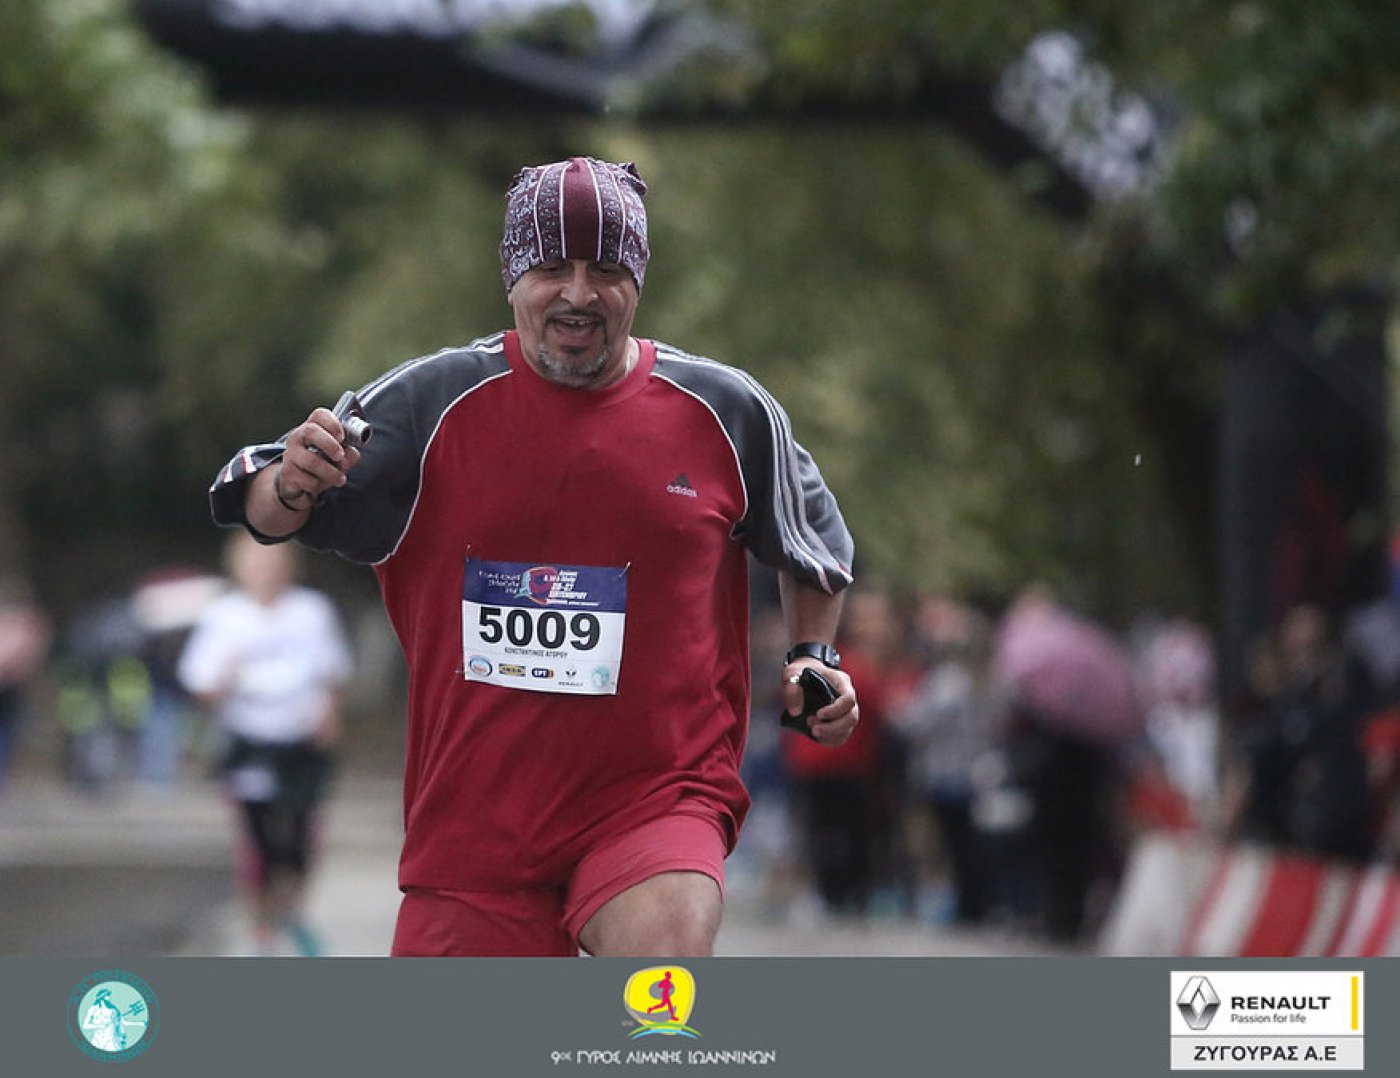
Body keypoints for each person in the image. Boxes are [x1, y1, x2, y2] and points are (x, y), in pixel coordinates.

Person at [206, 156, 859, 957]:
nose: (579, 293)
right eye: (552, 268)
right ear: (512, 278)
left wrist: (814, 657)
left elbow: (814, 542)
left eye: (607, 270)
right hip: (476, 824)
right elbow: (263, 502)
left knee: (662, 980)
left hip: (658, 797)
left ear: (638, 282)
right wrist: (291, 481)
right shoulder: (430, 403)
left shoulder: (726, 411)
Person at [178, 532, 352, 955]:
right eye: (256, 565)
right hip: (248, 741)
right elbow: (200, 686)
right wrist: (223, 679)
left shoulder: (312, 611)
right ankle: (260, 928)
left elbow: (334, 673)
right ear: (238, 569)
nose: (265, 574)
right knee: (258, 842)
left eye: (273, 565)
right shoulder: (224, 617)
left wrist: (329, 715)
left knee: (299, 839)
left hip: (302, 743)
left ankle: (291, 911)